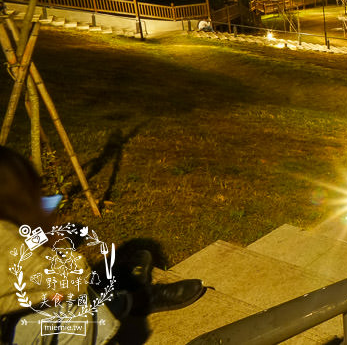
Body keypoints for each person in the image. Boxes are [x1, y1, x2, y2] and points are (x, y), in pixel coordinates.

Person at [0, 146, 206, 344]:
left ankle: (121, 289)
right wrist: (52, 237)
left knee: (52, 293)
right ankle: (134, 298)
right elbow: (76, 281)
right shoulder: (8, 239)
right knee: (73, 304)